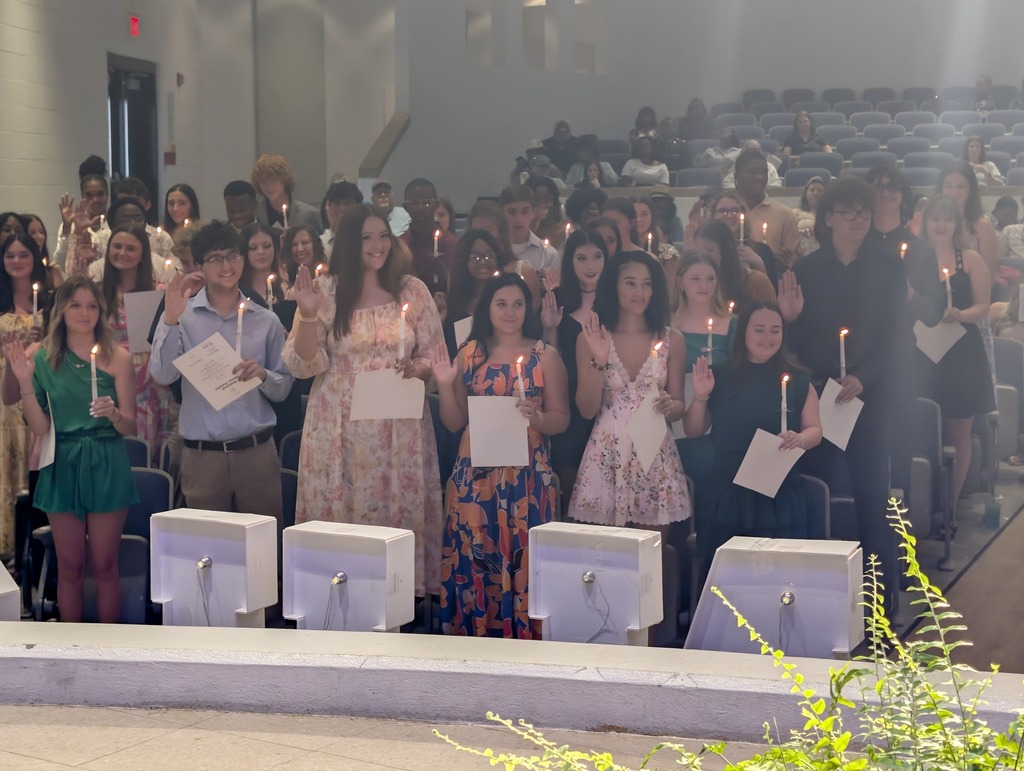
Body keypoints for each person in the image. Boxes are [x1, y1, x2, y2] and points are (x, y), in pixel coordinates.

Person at [284, 204, 444, 600]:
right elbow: (303, 366)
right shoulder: (326, 290)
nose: (378, 246)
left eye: (384, 236)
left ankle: (396, 605)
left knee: (394, 515)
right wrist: (306, 315)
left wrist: (420, 370)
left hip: (398, 427)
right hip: (338, 425)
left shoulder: (412, 289)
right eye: (367, 237)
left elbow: (434, 356)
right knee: (342, 519)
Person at [780, 176, 906, 609]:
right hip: (821, 396)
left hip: (869, 396)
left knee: (873, 494)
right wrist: (791, 317)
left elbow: (896, 336)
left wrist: (864, 377)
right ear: (828, 218)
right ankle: (817, 595)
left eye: (864, 211)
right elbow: (794, 343)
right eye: (848, 211)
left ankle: (882, 602)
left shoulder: (889, 265)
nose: (858, 219)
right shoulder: (807, 271)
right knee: (816, 489)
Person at [430, 272, 568, 637]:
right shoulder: (471, 353)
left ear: (529, 308)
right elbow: (454, 419)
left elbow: (561, 418)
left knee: (522, 557)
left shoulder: (545, 356)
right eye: (501, 303)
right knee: (475, 553)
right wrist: (445, 385)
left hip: (526, 479)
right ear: (487, 308)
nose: (510, 312)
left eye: (518, 304)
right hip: (475, 478)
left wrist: (537, 417)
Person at [4, 276, 138, 622]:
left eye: (92, 306)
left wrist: (114, 413)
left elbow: (130, 426)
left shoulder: (119, 358)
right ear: (61, 310)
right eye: (76, 305)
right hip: (61, 461)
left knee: (106, 566)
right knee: (70, 568)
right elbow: (41, 428)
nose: (85, 313)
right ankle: (72, 652)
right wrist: (23, 382)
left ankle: (109, 651)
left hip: (106, 461)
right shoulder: (43, 358)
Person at [150, 221, 292, 527]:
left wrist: (263, 375)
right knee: (209, 553)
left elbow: (283, 388)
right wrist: (170, 319)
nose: (226, 265)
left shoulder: (265, 320)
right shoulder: (184, 318)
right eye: (216, 258)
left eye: (233, 256)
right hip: (203, 455)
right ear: (200, 265)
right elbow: (162, 374)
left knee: (263, 555)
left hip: (255, 452)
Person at [684, 303, 822, 565]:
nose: (768, 338)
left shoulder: (798, 378)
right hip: (728, 491)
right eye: (759, 330)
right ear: (743, 332)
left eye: (775, 330)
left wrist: (800, 438)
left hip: (779, 493)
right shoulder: (722, 375)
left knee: (779, 574)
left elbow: (815, 430)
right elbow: (693, 431)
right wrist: (700, 397)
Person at [568, 250, 691, 531]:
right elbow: (586, 409)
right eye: (631, 283)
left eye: (647, 284)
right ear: (614, 285)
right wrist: (599, 360)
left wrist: (669, 405)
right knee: (605, 555)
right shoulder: (590, 337)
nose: (640, 291)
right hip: (607, 450)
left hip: (654, 450)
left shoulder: (673, 339)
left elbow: (679, 407)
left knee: (653, 551)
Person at [922, 196, 994, 513]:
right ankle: (922, 502)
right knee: (924, 425)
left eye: (946, 219)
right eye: (935, 218)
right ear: (925, 222)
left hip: (962, 353)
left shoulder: (971, 259)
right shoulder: (914, 259)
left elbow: (984, 306)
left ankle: (949, 506)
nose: (940, 225)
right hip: (923, 352)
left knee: (958, 430)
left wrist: (961, 314)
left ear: (956, 225)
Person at [98, 225, 177, 467]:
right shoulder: (97, 293)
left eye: (131, 248)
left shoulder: (159, 292)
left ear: (143, 254)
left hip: (152, 387)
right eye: (117, 246)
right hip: (112, 381)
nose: (122, 252)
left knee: (150, 461)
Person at [548, 228, 608, 510]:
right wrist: (549, 329)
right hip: (571, 405)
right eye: (582, 258)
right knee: (574, 496)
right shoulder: (558, 300)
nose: (590, 265)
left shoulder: (615, 302)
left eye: (597, 257)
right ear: (570, 262)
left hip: (611, 403)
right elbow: (552, 358)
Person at [0, 233, 49, 561]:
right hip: (4, 394)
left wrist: (41, 337)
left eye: (23, 255)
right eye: (10, 256)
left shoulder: (49, 302)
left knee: (32, 473)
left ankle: (33, 554)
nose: (17, 261)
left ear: (35, 258)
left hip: (37, 392)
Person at [670, 250, 736, 483]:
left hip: (718, 418)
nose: (703, 285)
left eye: (710, 279)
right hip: (675, 418)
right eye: (695, 279)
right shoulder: (667, 324)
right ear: (680, 282)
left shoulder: (732, 324)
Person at [443, 229, 513, 357]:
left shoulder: (509, 295)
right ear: (463, 260)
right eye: (475, 256)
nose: (482, 262)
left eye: (489, 256)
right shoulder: (455, 301)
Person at [733, 148, 800, 270]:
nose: (759, 176)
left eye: (764, 172)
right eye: (752, 171)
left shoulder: (784, 214)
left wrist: (788, 261)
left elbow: (793, 262)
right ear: (736, 176)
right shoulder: (727, 211)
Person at [693, 219, 776, 316]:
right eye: (697, 251)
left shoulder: (756, 282)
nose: (702, 256)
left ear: (725, 251)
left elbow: (770, 321)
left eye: (709, 251)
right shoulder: (696, 285)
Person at [87, 197, 177, 282]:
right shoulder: (96, 270)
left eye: (138, 219)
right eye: (126, 220)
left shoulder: (161, 268)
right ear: (112, 226)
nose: (133, 224)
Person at [937, 162, 998, 286]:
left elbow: (989, 278)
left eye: (961, 186)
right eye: (948, 186)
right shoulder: (930, 223)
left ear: (971, 190)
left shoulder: (983, 226)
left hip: (973, 296)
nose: (953, 192)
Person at [398, 177, 457, 298]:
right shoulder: (400, 246)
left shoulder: (452, 244)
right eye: (414, 203)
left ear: (436, 205)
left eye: (427, 202)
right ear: (405, 208)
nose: (421, 208)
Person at [251, 154, 322, 235]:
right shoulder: (254, 212)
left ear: (285, 181)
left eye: (274, 181)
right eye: (264, 182)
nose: (269, 187)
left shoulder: (309, 214)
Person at [53, 174, 110, 273]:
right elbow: (61, 265)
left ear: (107, 195)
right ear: (82, 196)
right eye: (89, 195)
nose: (95, 199)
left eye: (100, 194)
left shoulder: (115, 224)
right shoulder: (70, 226)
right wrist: (68, 230)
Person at [499, 185, 559, 276]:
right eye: (512, 212)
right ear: (501, 213)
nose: (518, 219)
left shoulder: (548, 254)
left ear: (534, 212)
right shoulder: (493, 248)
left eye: (525, 212)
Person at [634, 195, 679, 292]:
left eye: (644, 214)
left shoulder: (667, 253)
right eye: (634, 214)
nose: (639, 219)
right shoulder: (621, 248)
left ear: (652, 216)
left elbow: (670, 291)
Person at [241, 222, 288, 309]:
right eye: (253, 248)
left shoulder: (287, 289)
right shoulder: (237, 292)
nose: (261, 252)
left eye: (266, 246)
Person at [280, 224, 327, 290]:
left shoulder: (328, 277)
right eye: (294, 244)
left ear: (315, 245)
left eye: (305, 243)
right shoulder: (285, 276)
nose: (299, 249)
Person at [793, 176, 825, 257]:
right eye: (812, 190)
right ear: (806, 194)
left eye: (819, 190)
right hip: (800, 253)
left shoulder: (830, 214)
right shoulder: (795, 212)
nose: (816, 193)